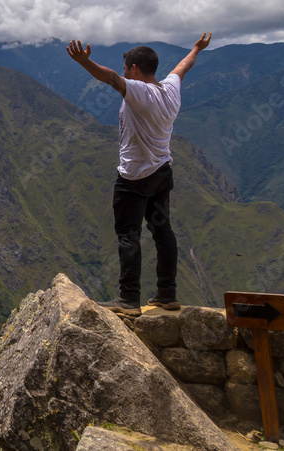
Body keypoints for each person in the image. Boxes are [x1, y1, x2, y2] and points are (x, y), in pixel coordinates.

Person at [66, 33, 212, 315]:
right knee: (162, 230)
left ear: (133, 70)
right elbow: (183, 66)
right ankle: (167, 294)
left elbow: (109, 78)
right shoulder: (170, 90)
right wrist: (196, 48)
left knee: (128, 235)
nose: (124, 73)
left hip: (134, 179)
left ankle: (128, 299)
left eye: (126, 69)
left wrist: (85, 63)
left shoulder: (139, 92)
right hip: (162, 173)